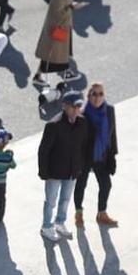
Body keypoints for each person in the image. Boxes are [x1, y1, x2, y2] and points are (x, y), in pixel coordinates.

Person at [38, 89, 90, 242]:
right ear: (64, 106)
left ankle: (60, 223)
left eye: (78, 107)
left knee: (66, 199)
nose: (76, 110)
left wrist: (81, 166)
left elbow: (83, 146)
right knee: (51, 201)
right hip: (54, 172)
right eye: (73, 107)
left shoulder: (82, 123)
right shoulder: (53, 125)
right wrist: (44, 172)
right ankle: (46, 226)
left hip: (72, 171)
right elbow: (43, 151)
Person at [73, 82, 120, 229]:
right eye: (94, 94)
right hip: (85, 156)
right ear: (88, 96)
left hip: (101, 155)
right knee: (81, 185)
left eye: (101, 94)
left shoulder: (110, 111)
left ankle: (102, 213)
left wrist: (113, 155)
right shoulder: (82, 114)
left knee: (106, 184)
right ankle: (79, 213)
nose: (97, 97)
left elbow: (113, 135)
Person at [37, 0, 77, 76]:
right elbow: (58, 12)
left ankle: (38, 75)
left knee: (54, 54)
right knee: (56, 54)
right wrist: (72, 7)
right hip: (59, 27)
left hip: (61, 27)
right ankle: (66, 73)